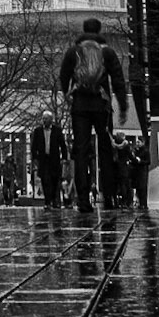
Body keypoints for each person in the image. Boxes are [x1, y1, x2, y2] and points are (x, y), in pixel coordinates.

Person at [58, 18, 129, 215]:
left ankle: (83, 199)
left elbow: (64, 76)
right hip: (101, 104)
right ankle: (109, 197)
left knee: (81, 151)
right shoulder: (107, 52)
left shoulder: (73, 52)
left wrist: (67, 94)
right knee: (106, 149)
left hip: (80, 105)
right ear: (99, 30)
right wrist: (123, 106)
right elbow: (118, 80)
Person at [30, 106, 67, 209]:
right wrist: (35, 158)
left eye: (46, 118)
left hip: (54, 159)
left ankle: (54, 200)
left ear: (51, 120)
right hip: (43, 159)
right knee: (45, 180)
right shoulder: (38, 131)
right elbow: (34, 146)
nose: (44, 120)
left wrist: (64, 158)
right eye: (43, 118)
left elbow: (62, 145)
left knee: (55, 179)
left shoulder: (57, 131)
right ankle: (47, 201)